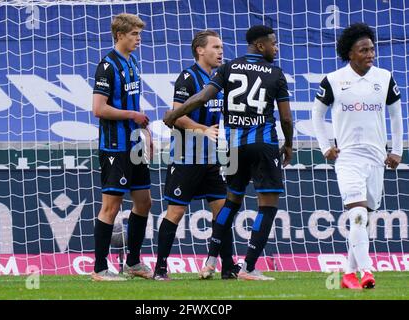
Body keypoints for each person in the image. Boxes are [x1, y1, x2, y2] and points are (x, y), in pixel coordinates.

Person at [164, 25, 293, 281]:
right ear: (260, 45)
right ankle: (249, 267)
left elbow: (202, 97)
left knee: (231, 203)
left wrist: (173, 114)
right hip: (263, 144)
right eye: (273, 43)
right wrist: (288, 144)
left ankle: (210, 261)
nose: (276, 48)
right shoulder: (275, 73)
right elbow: (286, 118)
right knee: (267, 206)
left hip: (234, 148)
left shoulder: (228, 68)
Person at [312, 23, 403, 289]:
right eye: (364, 50)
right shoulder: (334, 80)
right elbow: (317, 114)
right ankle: (366, 270)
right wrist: (324, 146)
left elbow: (396, 117)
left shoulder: (385, 78)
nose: (370, 54)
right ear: (350, 53)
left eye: (372, 49)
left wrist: (396, 150)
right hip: (348, 158)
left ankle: (349, 275)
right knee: (358, 214)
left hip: (377, 158)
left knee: (364, 217)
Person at [153, 30, 240, 281]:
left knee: (222, 212)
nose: (220, 51)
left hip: (210, 160)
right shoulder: (188, 77)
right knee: (176, 213)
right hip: (185, 158)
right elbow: (175, 116)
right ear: (200, 50)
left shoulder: (218, 79)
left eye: (221, 47)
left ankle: (228, 267)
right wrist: (203, 129)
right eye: (215, 47)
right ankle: (160, 268)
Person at [91, 13, 153, 281]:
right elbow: (98, 109)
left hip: (134, 144)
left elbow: (133, 104)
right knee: (111, 206)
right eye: (134, 34)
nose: (138, 39)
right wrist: (132, 117)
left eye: (139, 34)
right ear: (120, 35)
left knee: (144, 202)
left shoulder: (133, 62)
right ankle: (100, 268)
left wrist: (145, 130)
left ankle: (134, 262)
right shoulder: (107, 66)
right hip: (114, 146)